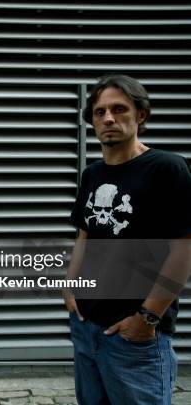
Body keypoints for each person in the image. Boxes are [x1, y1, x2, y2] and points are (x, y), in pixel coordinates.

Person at [65, 74, 191, 404]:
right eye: (99, 111)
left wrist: (148, 318)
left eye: (119, 109)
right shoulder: (92, 174)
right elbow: (85, 232)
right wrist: (70, 287)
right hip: (86, 328)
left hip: (133, 337)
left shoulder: (167, 168)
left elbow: (183, 250)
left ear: (141, 115)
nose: (108, 118)